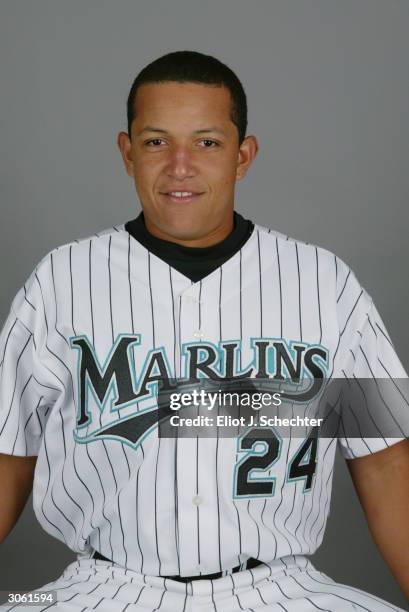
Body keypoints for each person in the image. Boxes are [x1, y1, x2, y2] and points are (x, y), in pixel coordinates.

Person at [0, 50, 408, 612]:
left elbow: (387, 461)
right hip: (102, 587)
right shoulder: (62, 280)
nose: (180, 166)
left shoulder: (324, 282)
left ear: (243, 156)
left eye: (207, 142)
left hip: (281, 589)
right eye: (156, 141)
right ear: (127, 152)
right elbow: (8, 454)